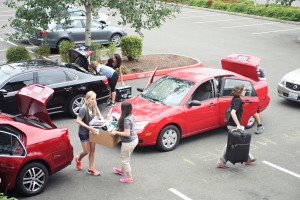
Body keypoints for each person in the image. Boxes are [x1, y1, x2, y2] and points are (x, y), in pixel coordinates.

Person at [216, 85, 257, 168]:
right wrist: (238, 125)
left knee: (237, 141)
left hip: (232, 124)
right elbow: (233, 112)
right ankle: (221, 162)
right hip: (234, 125)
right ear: (240, 91)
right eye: (244, 90)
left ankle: (249, 158)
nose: (245, 91)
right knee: (234, 142)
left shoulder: (235, 98)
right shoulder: (238, 100)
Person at [75, 91, 104, 176]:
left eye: (95, 99)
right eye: (92, 99)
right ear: (87, 99)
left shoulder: (94, 103)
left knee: (93, 150)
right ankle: (78, 159)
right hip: (84, 131)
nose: (94, 101)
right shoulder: (83, 109)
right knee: (86, 151)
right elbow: (78, 120)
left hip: (93, 130)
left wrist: (100, 115)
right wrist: (88, 127)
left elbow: (96, 107)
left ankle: (91, 168)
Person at [109, 102, 138, 183]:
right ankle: (122, 170)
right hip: (134, 139)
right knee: (126, 157)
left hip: (129, 142)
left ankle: (129, 178)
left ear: (123, 109)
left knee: (125, 160)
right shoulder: (130, 116)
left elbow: (127, 134)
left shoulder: (126, 120)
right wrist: (116, 129)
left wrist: (116, 132)